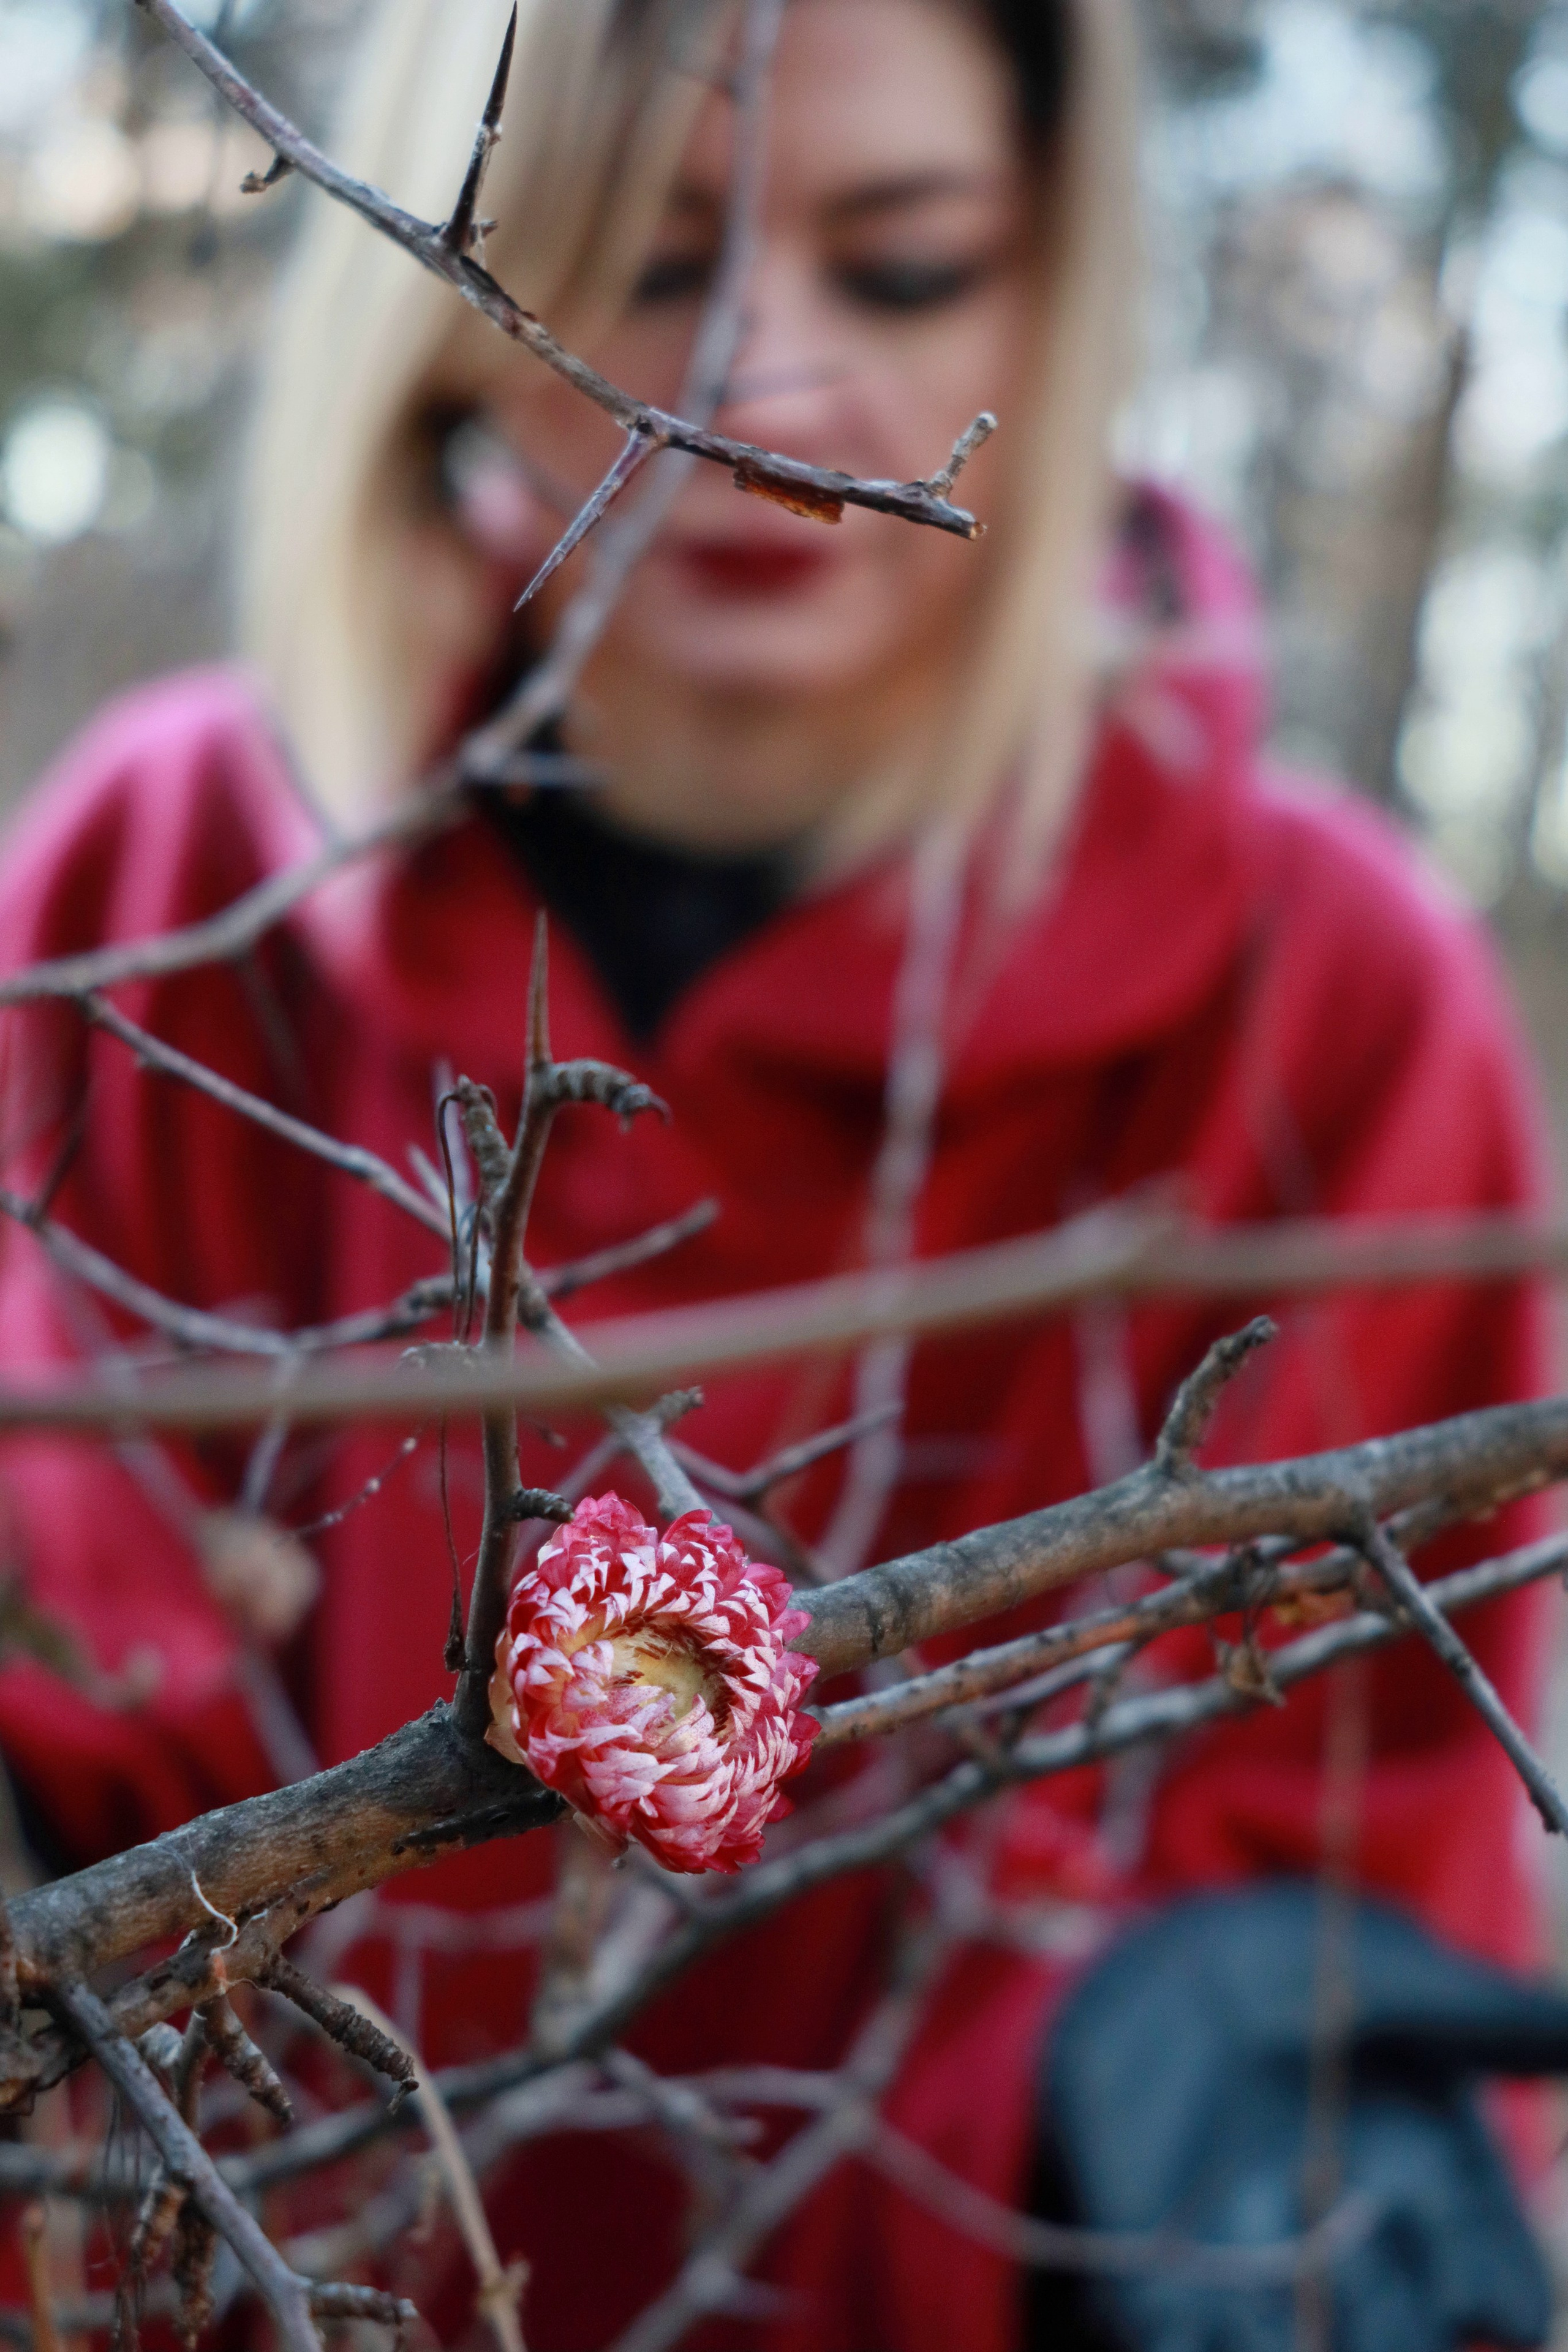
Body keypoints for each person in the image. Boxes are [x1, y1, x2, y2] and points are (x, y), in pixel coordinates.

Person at [0, 0, 1559, 2346]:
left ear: (1050, 292)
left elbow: (1368, 1823)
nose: (759, 387)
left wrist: (1181, 2076)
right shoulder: (160, 909)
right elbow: (77, 1703)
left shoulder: (1332, 1020)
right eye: (645, 256)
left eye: (901, 267)